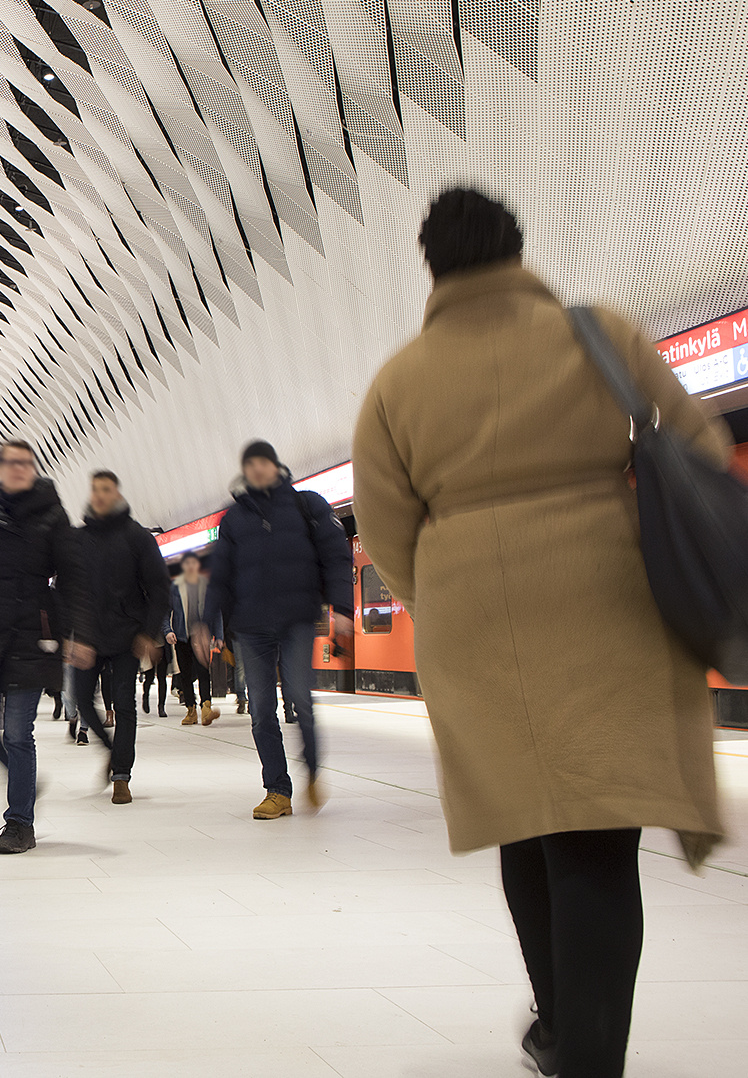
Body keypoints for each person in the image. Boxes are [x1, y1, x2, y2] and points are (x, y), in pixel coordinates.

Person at [353, 187, 732, 1078]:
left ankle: (562, 1026)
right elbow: (702, 450)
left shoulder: (398, 380)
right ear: (518, 249)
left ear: (433, 266)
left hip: (473, 621)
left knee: (526, 823)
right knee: (597, 836)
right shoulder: (600, 334)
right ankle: (591, 1050)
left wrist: (441, 594)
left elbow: (385, 528)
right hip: (607, 601)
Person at [0, 439, 95, 853]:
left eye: (25, 463)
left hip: (33, 635)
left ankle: (19, 822)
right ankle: (24, 781)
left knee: (17, 732)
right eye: (11, 463)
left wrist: (77, 634)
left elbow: (73, 578)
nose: (18, 469)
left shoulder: (52, 513)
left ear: (32, 468)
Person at [199, 440, 353, 820]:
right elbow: (219, 577)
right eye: (249, 464)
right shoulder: (233, 520)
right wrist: (206, 622)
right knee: (261, 711)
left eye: (262, 462)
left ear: (275, 465)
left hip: (297, 619)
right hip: (251, 627)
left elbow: (336, 556)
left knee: (300, 698)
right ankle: (277, 790)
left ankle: (313, 771)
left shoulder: (308, 505)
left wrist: (344, 610)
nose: (256, 470)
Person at [72, 470, 166, 803]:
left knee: (125, 705)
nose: (99, 494)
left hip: (127, 636)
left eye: (106, 489)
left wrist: (148, 633)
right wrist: (73, 634)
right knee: (82, 698)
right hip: (89, 638)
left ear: (117, 494)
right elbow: (68, 590)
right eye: (95, 489)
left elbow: (159, 588)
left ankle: (121, 776)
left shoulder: (137, 537)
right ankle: (112, 750)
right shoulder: (79, 539)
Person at [166, 550, 220, 726]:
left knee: (204, 672)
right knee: (186, 674)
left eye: (193, 563)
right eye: (187, 564)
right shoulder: (175, 587)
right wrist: (168, 630)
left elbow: (216, 612)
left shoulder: (207, 586)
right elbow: (165, 611)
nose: (190, 567)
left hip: (201, 636)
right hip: (181, 636)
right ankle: (191, 709)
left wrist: (218, 635)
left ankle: (206, 708)